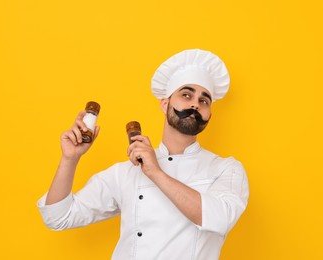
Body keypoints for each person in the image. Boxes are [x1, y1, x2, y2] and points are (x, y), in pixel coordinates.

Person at [37, 49, 249, 260]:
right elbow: (58, 218)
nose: (195, 104)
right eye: (186, 95)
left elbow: (219, 218)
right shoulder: (125, 172)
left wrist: (156, 172)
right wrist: (70, 158)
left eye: (204, 101)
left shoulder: (226, 169)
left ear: (209, 114)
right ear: (165, 104)